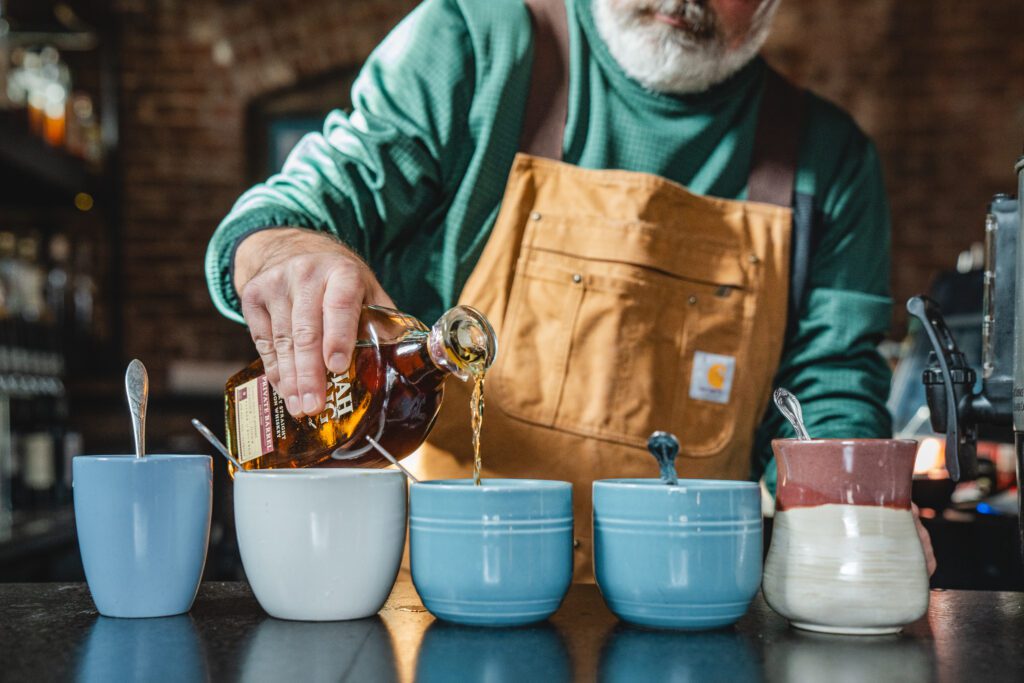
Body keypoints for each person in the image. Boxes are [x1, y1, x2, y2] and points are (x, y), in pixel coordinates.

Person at [206, 0, 935, 579]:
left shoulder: (829, 161)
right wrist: (284, 247)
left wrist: (855, 515)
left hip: (692, 610)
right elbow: (312, 197)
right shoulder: (477, 42)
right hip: (436, 611)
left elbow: (831, 388)